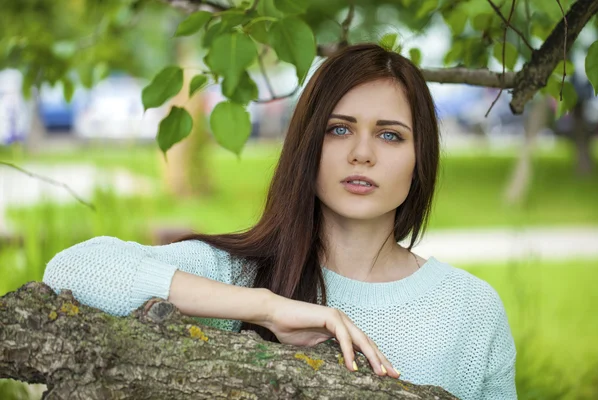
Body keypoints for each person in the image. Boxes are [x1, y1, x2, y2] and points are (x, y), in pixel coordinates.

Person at [43, 43, 517, 400]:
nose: (361, 153)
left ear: (420, 160)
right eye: (339, 129)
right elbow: (71, 270)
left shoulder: (470, 310)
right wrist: (266, 308)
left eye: (390, 136)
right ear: (308, 145)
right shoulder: (240, 277)